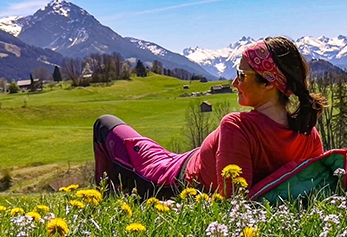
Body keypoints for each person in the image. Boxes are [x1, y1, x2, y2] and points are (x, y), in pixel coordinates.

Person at [93, 36, 328, 199]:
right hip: (188, 160)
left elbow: (233, 203)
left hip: (167, 177)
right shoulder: (309, 134)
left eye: (242, 75)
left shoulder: (238, 127)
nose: (235, 83)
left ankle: (102, 200)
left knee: (104, 124)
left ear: (268, 82)